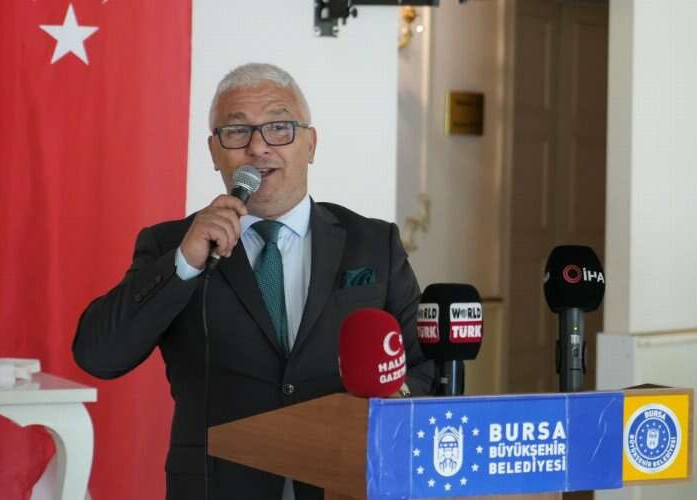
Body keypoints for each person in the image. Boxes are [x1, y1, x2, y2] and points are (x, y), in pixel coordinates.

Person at [73, 63, 435, 500]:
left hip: (346, 479)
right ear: (214, 152)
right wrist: (184, 264)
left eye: (279, 127)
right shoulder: (172, 245)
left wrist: (393, 401)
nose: (259, 147)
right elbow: (98, 355)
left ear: (310, 144)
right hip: (218, 487)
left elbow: (426, 366)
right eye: (237, 131)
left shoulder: (374, 243)